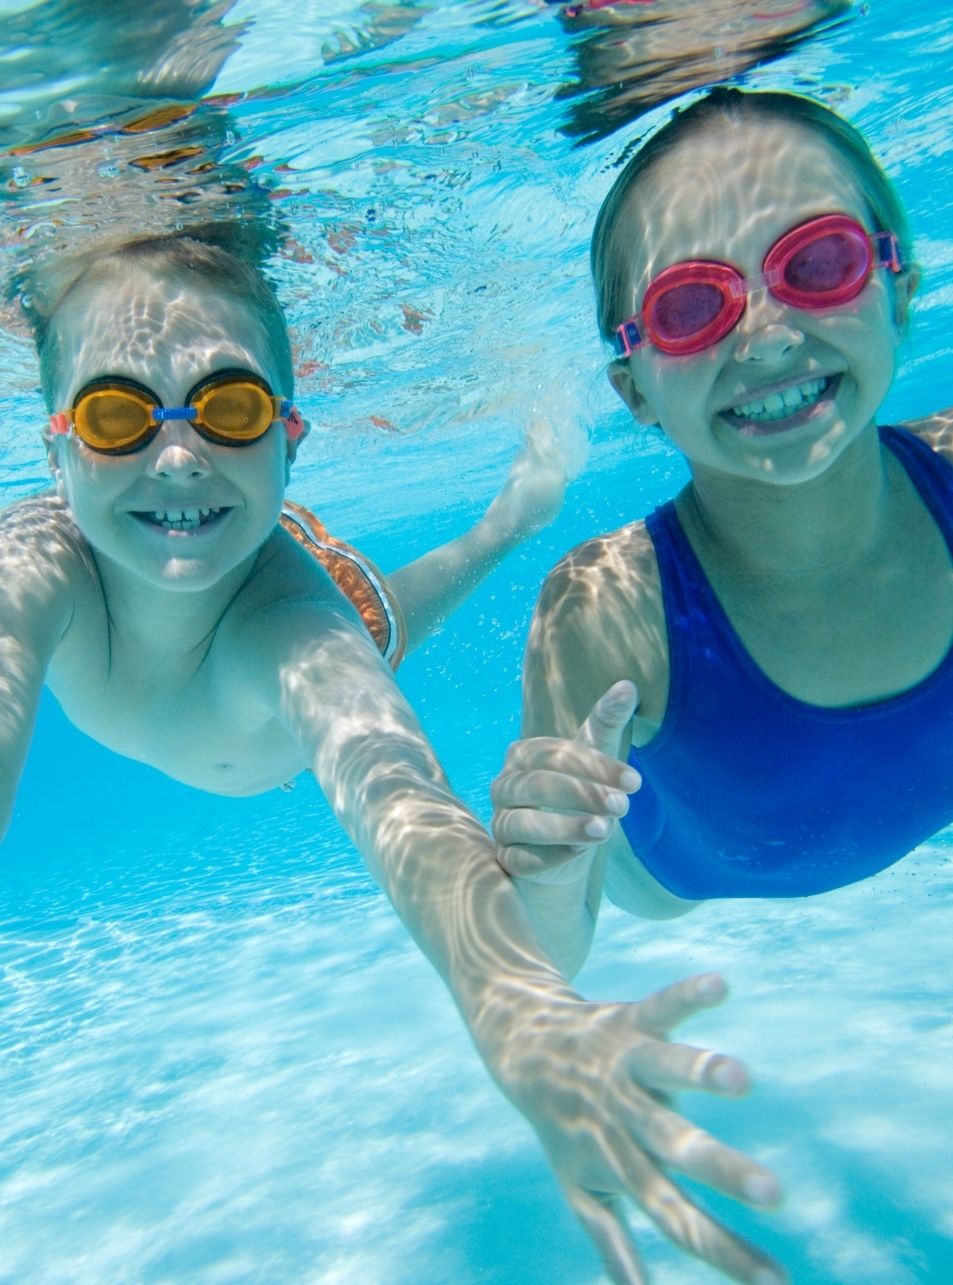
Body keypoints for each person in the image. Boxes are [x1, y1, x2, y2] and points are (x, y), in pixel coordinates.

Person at [0, 232, 784, 1285]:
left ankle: (512, 517)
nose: (176, 454)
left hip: (305, 612)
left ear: (290, 436)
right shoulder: (36, 560)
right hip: (270, 619)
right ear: (54, 448)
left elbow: (396, 787)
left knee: (383, 618)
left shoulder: (294, 626)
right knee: (384, 614)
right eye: (113, 414)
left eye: (228, 408)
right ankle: (511, 514)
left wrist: (519, 1007)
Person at [491, 85, 947, 1275]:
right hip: (676, 876)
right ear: (632, 384)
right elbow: (555, 947)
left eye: (818, 261)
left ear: (899, 283)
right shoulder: (609, 607)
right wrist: (544, 866)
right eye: (692, 306)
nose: (765, 335)